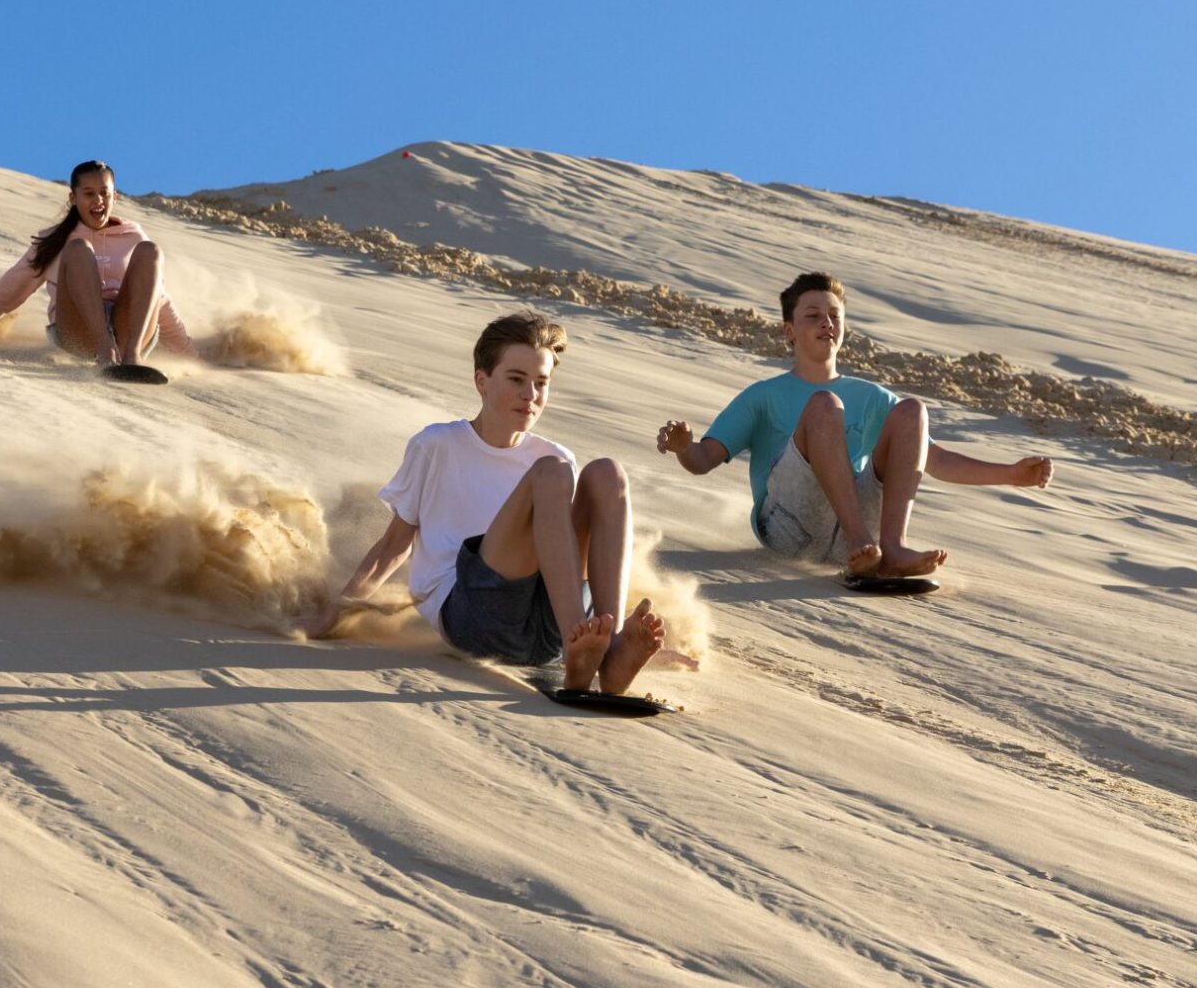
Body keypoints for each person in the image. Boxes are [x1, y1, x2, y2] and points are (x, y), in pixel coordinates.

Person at [305, 311, 668, 694]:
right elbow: (394, 546)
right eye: (516, 379)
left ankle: (607, 648)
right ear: (482, 381)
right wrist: (336, 612)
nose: (530, 395)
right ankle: (578, 647)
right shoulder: (437, 446)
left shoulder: (556, 455)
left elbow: (569, 555)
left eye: (541, 383)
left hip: (546, 630)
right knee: (551, 473)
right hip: (471, 616)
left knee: (607, 473)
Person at [655, 271, 1053, 580]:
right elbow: (704, 459)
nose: (826, 323)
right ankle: (866, 543)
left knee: (912, 410)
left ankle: (893, 548)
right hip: (790, 530)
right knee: (825, 406)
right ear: (789, 331)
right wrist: (683, 447)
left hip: (859, 538)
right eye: (813, 316)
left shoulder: (872, 396)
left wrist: (1011, 475)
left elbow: (931, 459)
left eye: (834, 315)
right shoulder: (763, 396)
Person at [0, 159, 193, 384]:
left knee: (150, 250)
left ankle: (132, 359)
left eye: (104, 193)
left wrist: (188, 354)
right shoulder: (54, 240)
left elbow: (157, 297)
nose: (98, 200)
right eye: (89, 194)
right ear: (73, 198)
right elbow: (11, 289)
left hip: (129, 330)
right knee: (78, 249)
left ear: (115, 197)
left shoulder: (133, 236)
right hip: (79, 331)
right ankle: (105, 351)